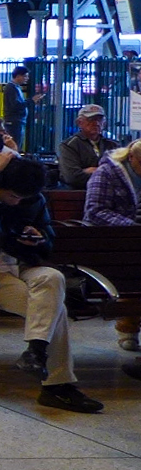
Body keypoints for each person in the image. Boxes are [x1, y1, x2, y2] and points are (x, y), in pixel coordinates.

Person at [0, 147, 101, 413]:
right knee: (54, 310)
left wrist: (38, 238)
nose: (17, 202)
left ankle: (36, 353)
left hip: (23, 266)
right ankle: (57, 385)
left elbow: (48, 240)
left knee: (52, 277)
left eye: (23, 198)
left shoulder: (31, 198)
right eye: (13, 196)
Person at [81, 143, 141, 361]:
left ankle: (130, 322)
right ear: (132, 158)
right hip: (113, 243)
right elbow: (95, 212)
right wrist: (131, 229)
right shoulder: (107, 173)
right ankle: (130, 323)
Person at [59, 104, 112, 189]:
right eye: (91, 119)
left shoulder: (112, 145)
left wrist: (90, 171)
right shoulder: (69, 145)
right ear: (80, 123)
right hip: (78, 195)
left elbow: (123, 174)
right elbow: (72, 177)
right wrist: (106, 174)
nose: (96, 123)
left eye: (100, 119)